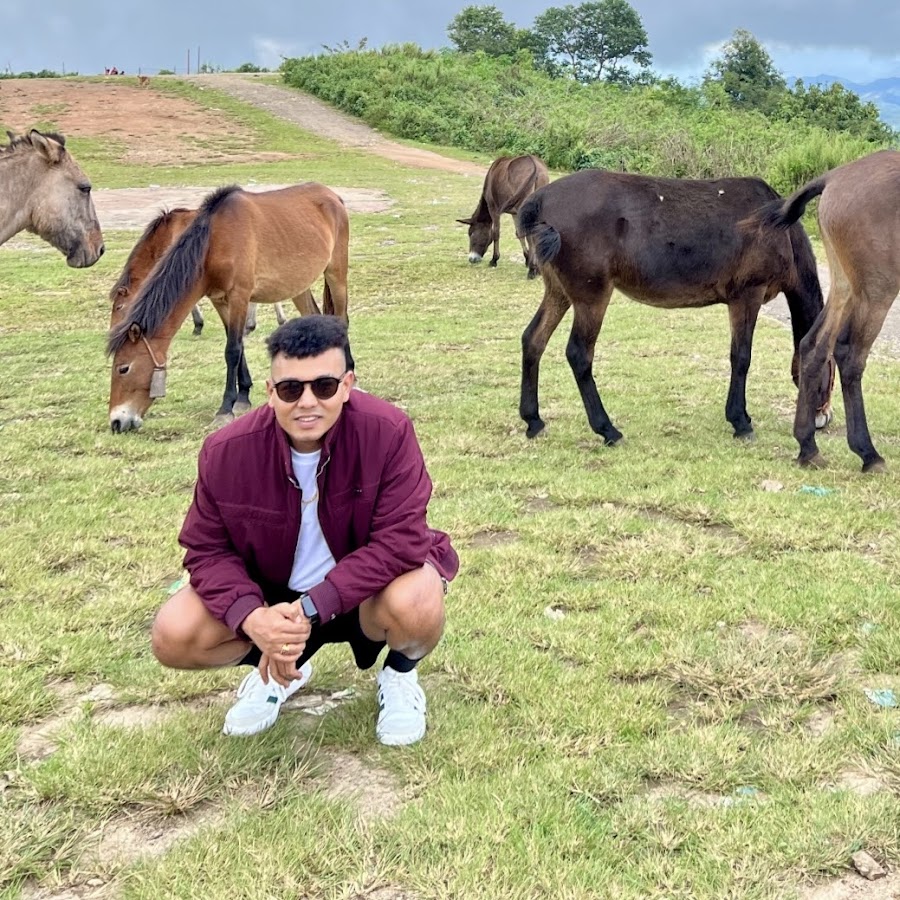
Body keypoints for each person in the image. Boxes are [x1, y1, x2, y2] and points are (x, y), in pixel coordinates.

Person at [151, 316, 458, 746]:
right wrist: (253, 617)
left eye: (324, 386)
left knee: (420, 596)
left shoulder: (388, 431)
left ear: (348, 385)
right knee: (173, 632)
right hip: (273, 601)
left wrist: (313, 607)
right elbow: (206, 550)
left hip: (361, 595)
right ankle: (277, 675)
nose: (307, 402)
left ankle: (400, 675)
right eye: (291, 389)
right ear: (270, 392)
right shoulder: (225, 451)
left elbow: (401, 542)